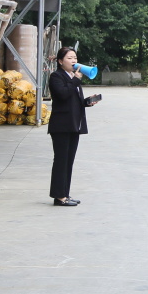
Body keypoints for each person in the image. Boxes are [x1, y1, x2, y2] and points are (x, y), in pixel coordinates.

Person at [48, 47, 98, 206]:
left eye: (75, 57)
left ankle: (65, 194)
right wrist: (76, 79)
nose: (74, 61)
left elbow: (73, 100)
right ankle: (59, 197)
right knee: (61, 161)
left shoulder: (72, 77)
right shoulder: (56, 76)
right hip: (61, 126)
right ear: (60, 61)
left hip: (74, 125)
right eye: (69, 58)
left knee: (69, 161)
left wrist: (87, 102)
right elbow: (63, 95)